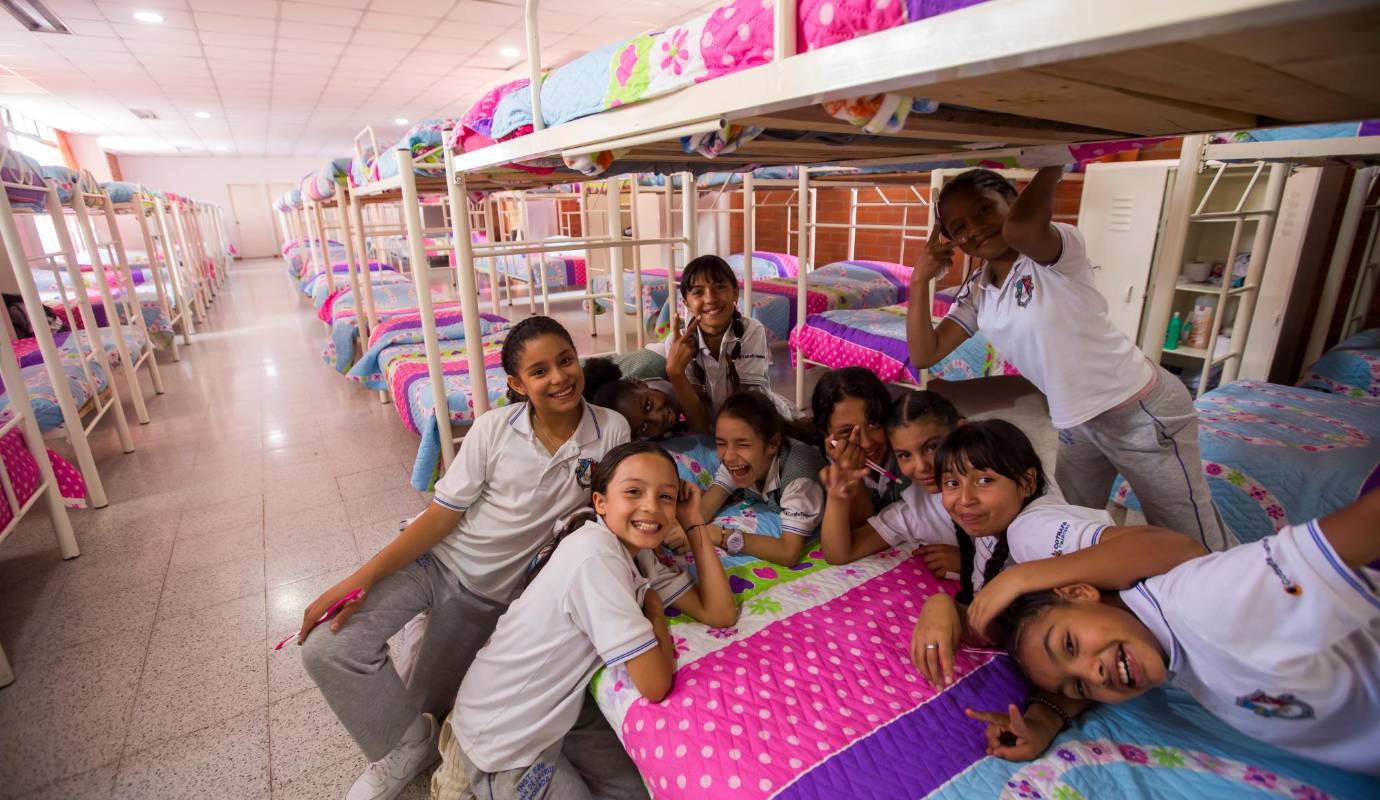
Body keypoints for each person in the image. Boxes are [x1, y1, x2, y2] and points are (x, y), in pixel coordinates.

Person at [297, 316, 630, 800]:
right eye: (539, 372)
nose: (558, 378)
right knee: (328, 647)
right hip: (437, 565)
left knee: (430, 703)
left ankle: (416, 735)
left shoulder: (610, 429)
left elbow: (612, 510)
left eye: (564, 360)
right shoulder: (494, 429)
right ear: (517, 384)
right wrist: (358, 579)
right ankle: (405, 747)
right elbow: (440, 518)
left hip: (493, 601)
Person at [907, 167, 1231, 552]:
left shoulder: (1055, 254)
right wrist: (919, 280)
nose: (974, 230)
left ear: (1014, 201)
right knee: (1070, 523)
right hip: (1076, 421)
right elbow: (925, 352)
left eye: (984, 211)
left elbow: (1023, 231)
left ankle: (1247, 599)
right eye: (958, 227)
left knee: (1190, 537)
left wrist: (1052, 163)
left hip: (1139, 411)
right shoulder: (980, 290)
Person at [980, 488, 1380, 775]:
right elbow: (1067, 675)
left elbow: (1360, 528)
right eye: (1080, 686)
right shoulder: (1158, 638)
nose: (1093, 673)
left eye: (1070, 645)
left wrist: (1023, 578)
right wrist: (1042, 721)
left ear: (1081, 591)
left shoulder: (1204, 601)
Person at [444, 442, 737, 799]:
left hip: (557, 716)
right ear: (600, 503)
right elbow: (655, 684)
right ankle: (461, 777)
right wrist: (655, 613)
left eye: (666, 497)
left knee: (639, 791)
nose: (651, 506)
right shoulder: (595, 557)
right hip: (504, 737)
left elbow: (720, 613)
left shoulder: (640, 554)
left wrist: (694, 523)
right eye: (633, 492)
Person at [909, 419, 1208, 690]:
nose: (964, 499)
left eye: (984, 480)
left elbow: (1173, 548)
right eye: (952, 484)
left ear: (1026, 483)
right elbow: (995, 621)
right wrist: (941, 606)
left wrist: (1019, 578)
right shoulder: (991, 534)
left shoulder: (1031, 530)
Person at [819, 390, 962, 580]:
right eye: (905, 455)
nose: (921, 467)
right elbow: (839, 554)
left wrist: (969, 561)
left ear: (962, 430)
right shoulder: (915, 510)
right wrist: (837, 497)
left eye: (932, 447)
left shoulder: (1001, 480)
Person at [651, 254, 794, 427]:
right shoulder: (677, 343)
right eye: (698, 292)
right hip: (712, 426)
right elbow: (698, 425)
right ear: (686, 303)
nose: (710, 298)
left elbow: (743, 412)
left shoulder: (751, 331)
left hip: (755, 422)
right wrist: (675, 372)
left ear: (735, 293)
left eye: (719, 287)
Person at [693, 391, 825, 566]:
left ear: (772, 444)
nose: (729, 456)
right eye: (721, 443)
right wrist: (686, 530)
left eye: (743, 444)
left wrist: (720, 535)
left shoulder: (799, 479)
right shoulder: (739, 463)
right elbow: (707, 505)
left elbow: (788, 552)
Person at [812, 367, 907, 526]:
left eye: (873, 423)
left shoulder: (909, 454)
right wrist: (852, 475)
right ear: (826, 435)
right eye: (847, 432)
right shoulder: (822, 466)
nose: (866, 443)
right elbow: (862, 526)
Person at [582, 356, 691, 439]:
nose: (658, 418)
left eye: (648, 405)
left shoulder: (669, 382)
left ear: (639, 383)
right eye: (643, 427)